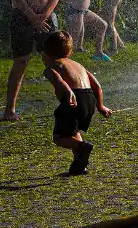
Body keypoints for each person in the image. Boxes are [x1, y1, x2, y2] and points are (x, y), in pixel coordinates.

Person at [4, 0, 62, 121]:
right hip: (23, 16)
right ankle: (9, 109)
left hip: (47, 16)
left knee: (55, 59)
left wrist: (44, 15)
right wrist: (32, 17)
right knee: (21, 61)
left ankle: (67, 101)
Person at [42, 31, 112, 176]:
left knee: (59, 138)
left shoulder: (52, 67)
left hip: (73, 99)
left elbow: (58, 80)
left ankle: (82, 146)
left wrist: (68, 92)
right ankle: (79, 164)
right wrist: (100, 106)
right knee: (74, 131)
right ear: (70, 51)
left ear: (46, 54)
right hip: (89, 99)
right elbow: (97, 86)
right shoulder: (78, 65)